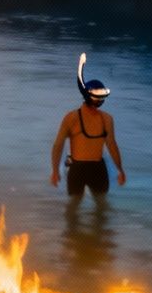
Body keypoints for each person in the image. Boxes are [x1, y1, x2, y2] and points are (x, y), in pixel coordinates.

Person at [51, 54, 126, 200]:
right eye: (99, 96)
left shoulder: (105, 119)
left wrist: (120, 170)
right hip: (81, 168)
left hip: (92, 168)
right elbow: (58, 145)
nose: (102, 100)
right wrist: (55, 171)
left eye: (103, 96)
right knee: (90, 206)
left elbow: (112, 146)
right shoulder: (73, 118)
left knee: (90, 206)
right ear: (88, 96)